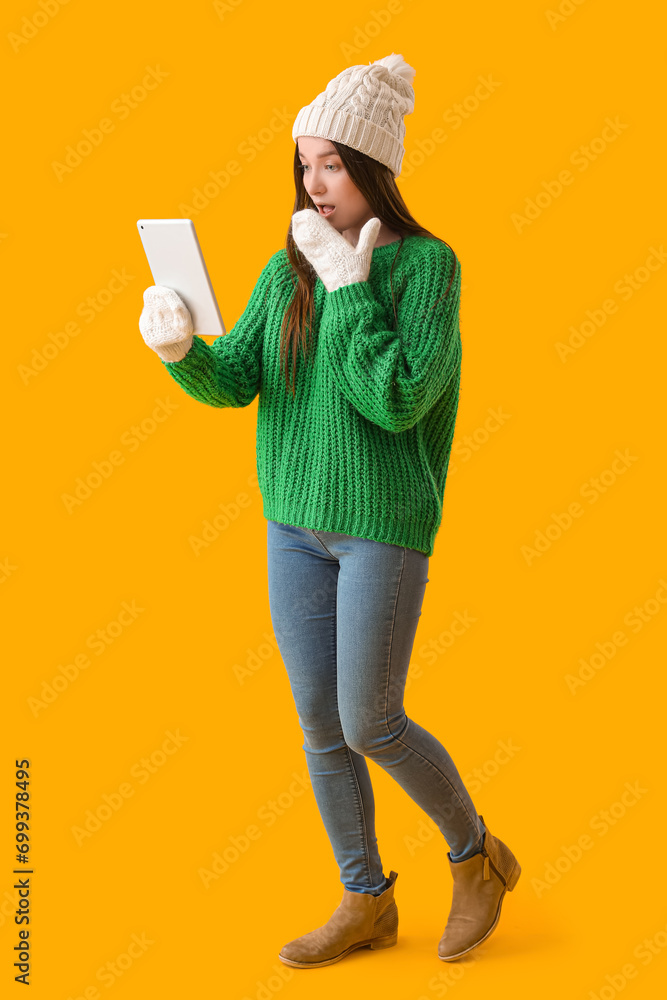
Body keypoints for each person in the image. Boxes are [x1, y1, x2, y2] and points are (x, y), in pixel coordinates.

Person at [138, 52, 521, 968]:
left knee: (370, 721)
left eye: (333, 164)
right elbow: (237, 383)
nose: (315, 184)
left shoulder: (428, 268)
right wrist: (181, 347)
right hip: (292, 527)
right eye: (305, 164)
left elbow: (396, 398)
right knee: (319, 723)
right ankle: (365, 900)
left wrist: (349, 289)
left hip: (380, 527)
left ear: (374, 169)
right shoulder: (289, 268)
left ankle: (475, 859)